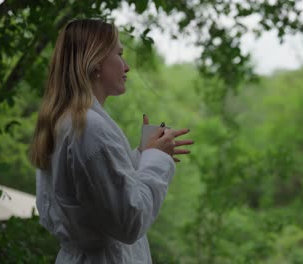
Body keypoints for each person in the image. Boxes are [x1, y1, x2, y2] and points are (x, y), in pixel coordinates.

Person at [29, 18, 193, 263]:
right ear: (95, 60)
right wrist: (156, 159)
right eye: (119, 54)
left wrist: (143, 153)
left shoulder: (66, 121)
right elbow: (130, 220)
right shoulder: (89, 128)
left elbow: (98, 192)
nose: (126, 67)